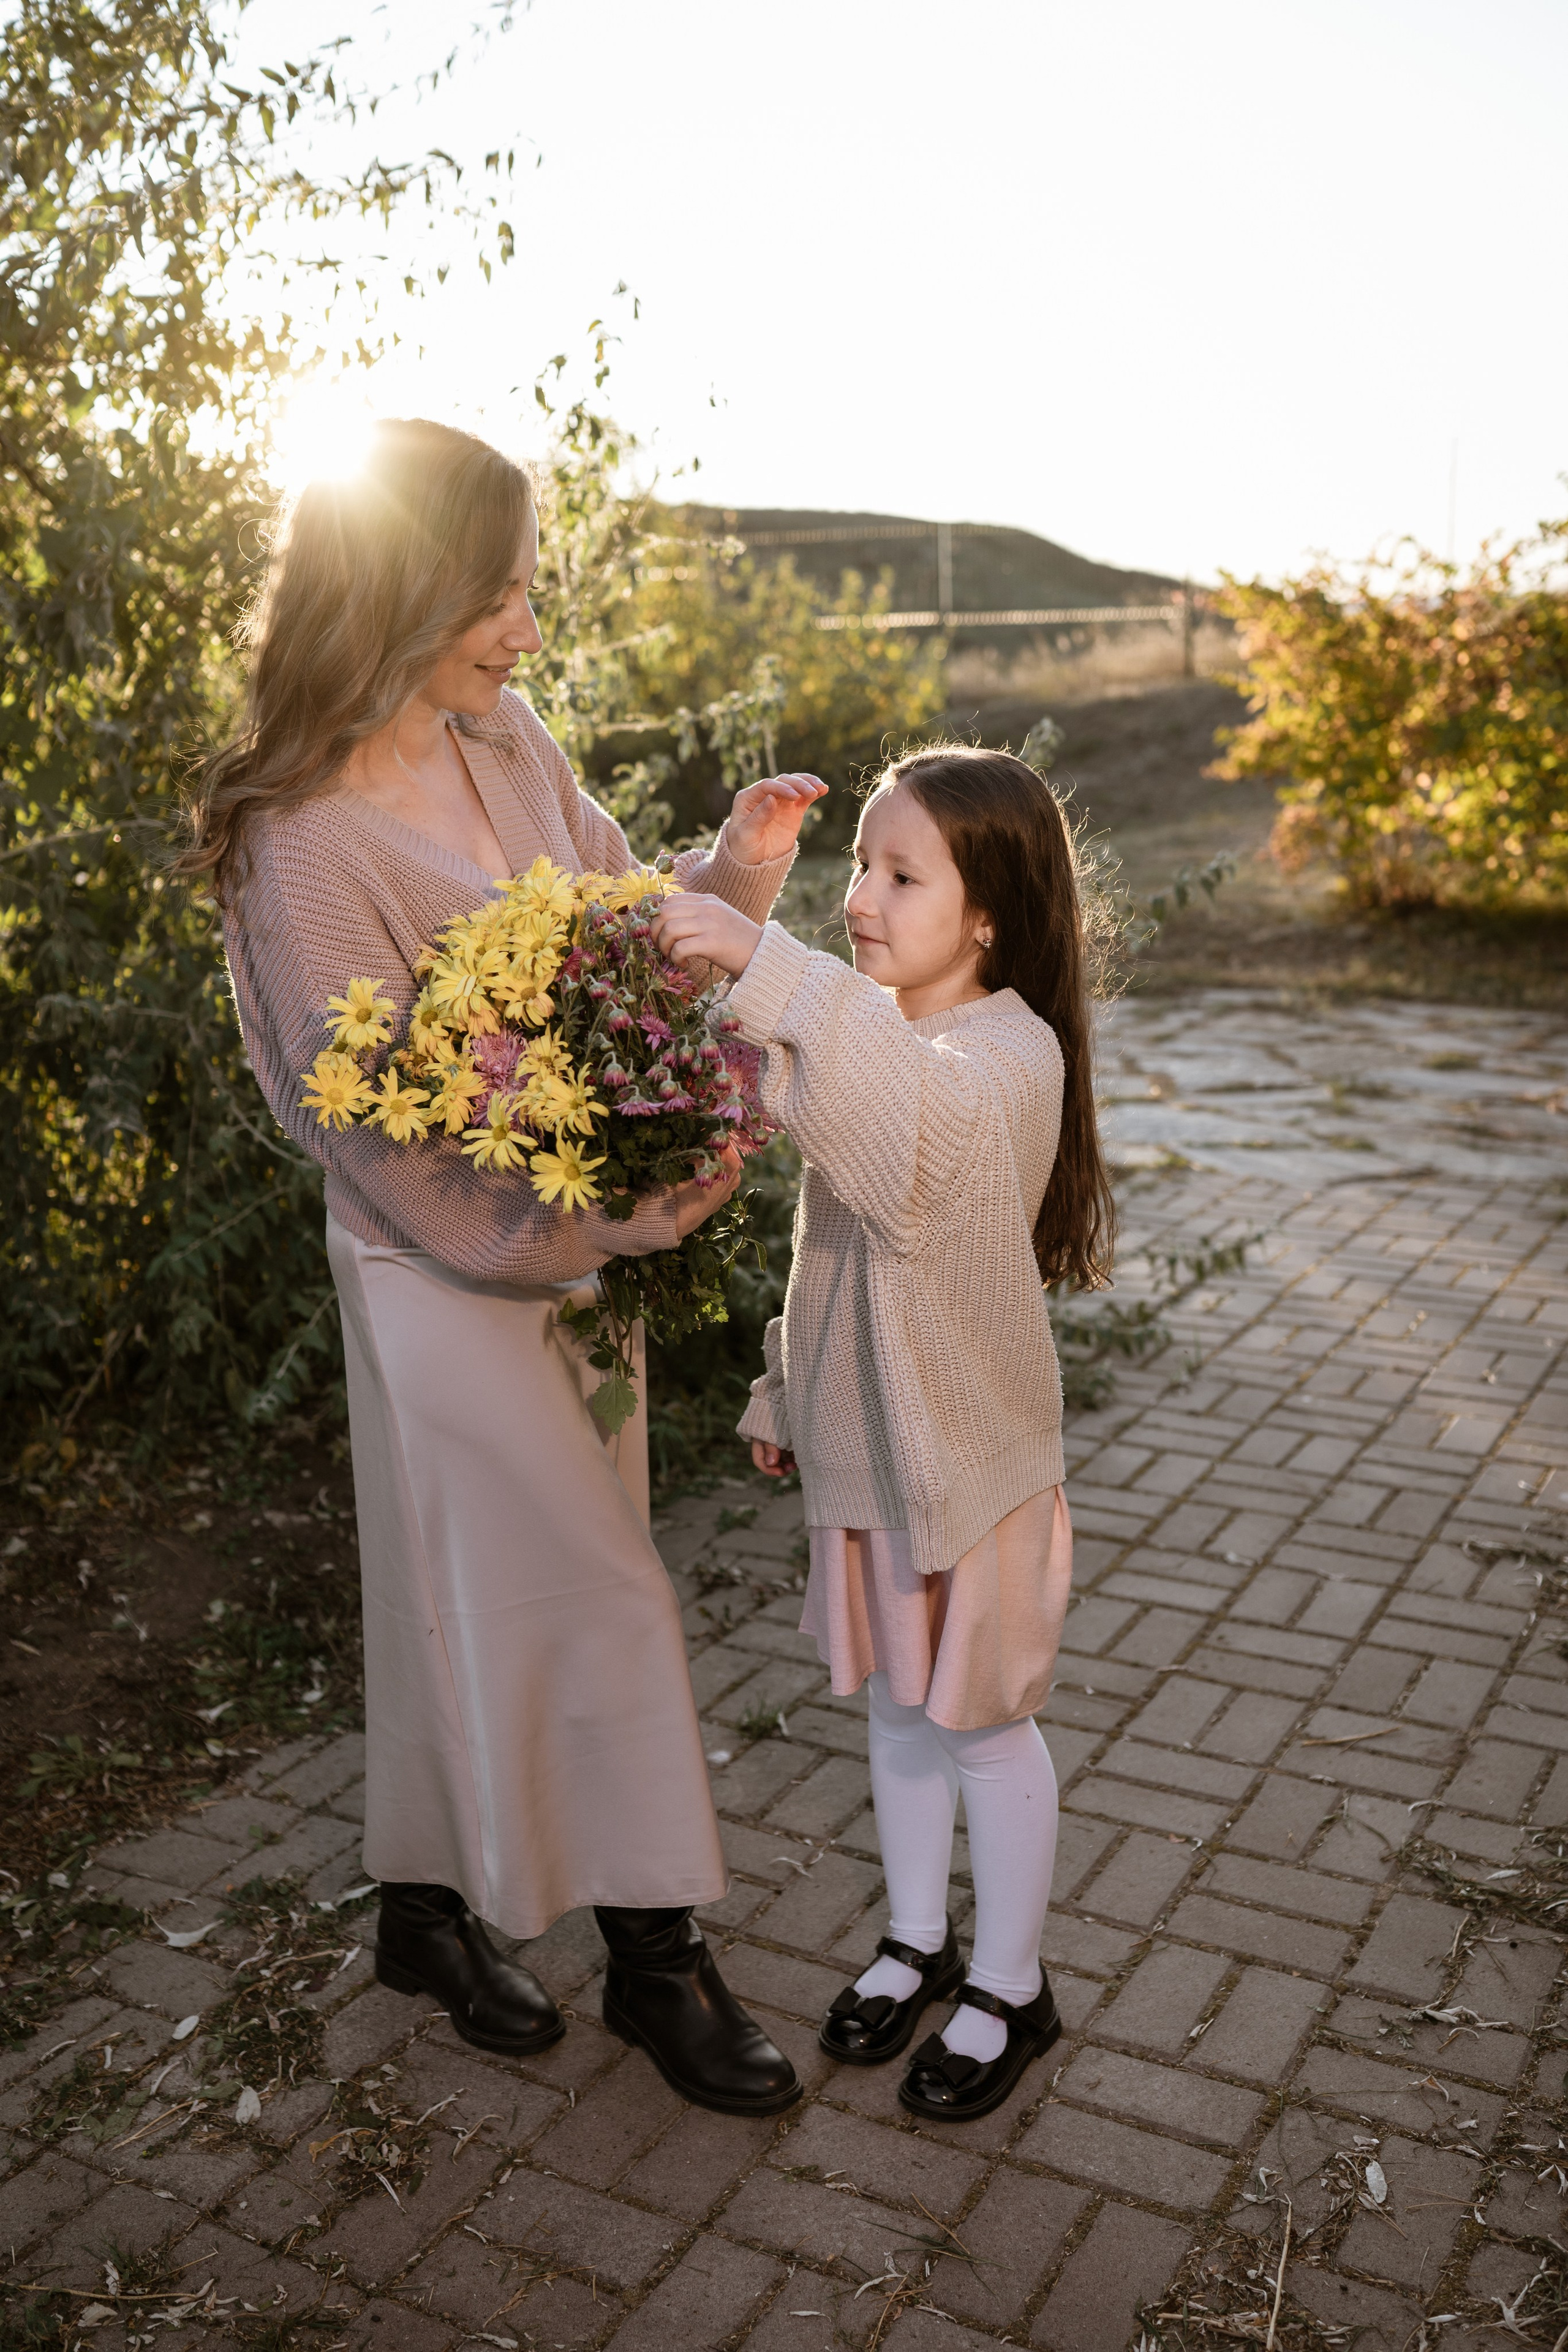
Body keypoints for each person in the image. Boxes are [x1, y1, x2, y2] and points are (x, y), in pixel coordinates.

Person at [179, 417, 826, 2116]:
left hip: (568, 1258)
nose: (527, 633)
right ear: (401, 589)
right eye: (501, 596)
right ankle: (656, 1960)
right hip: (437, 1269)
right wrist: (625, 1217)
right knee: (597, 1587)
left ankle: (417, 1917)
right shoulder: (302, 837)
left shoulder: (507, 736)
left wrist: (732, 875)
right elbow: (378, 1128)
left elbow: (618, 932)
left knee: (461, 1596)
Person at [650, 744, 1115, 2122]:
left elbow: (904, 1153)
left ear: (986, 917)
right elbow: (829, 1243)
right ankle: (919, 1940)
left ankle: (1011, 1985)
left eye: (899, 874)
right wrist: (786, 1393)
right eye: (859, 861)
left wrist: (761, 957)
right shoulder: (889, 1033)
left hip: (969, 1479)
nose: (861, 894)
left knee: (980, 1728)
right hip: (868, 1464)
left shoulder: (1002, 1056)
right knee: (902, 1718)